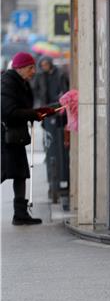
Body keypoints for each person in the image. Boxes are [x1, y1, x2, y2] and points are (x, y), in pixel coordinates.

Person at [1, 52, 56, 225]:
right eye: (30, 67)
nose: (34, 71)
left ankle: (20, 214)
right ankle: (20, 214)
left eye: (34, 67)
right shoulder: (8, 83)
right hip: (5, 138)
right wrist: (34, 113)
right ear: (19, 68)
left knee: (20, 173)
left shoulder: (22, 83)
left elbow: (23, 108)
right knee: (4, 172)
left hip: (15, 137)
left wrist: (38, 112)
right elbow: (8, 112)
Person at [32, 56, 70, 202]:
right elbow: (36, 92)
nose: (44, 67)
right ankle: (52, 182)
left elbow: (64, 91)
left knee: (61, 150)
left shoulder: (59, 74)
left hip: (59, 114)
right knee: (50, 148)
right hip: (46, 114)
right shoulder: (40, 76)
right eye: (42, 65)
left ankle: (61, 181)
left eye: (46, 64)